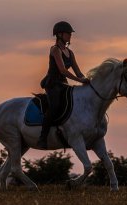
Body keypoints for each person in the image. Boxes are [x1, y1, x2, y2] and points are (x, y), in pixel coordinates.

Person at [37, 21, 90, 149]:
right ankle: (42, 138)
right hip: (52, 84)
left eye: (70, 34)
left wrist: (87, 80)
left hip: (63, 85)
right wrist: (79, 80)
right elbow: (63, 70)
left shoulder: (70, 53)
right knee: (54, 107)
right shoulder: (55, 49)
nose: (70, 36)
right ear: (59, 34)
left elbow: (78, 72)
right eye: (68, 33)